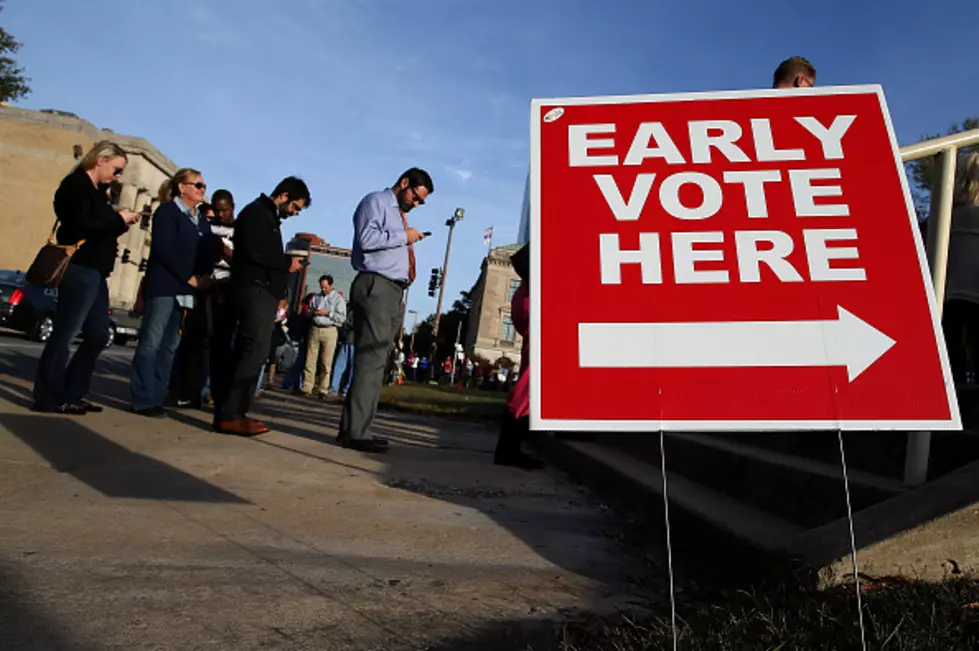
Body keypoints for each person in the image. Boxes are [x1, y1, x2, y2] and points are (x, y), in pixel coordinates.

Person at [32, 141, 142, 414]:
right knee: (66, 332)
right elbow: (80, 225)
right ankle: (48, 396)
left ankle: (72, 391)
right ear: (100, 160)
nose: (118, 177)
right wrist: (118, 220)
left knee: (97, 334)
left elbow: (99, 227)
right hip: (79, 268)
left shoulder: (99, 193)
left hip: (96, 272)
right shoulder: (75, 186)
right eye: (116, 170)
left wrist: (120, 219)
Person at [338, 168, 432, 453]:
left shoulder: (395, 213)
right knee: (371, 360)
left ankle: (356, 428)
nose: (415, 204)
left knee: (377, 360)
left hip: (391, 290)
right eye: (415, 197)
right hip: (376, 284)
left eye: (420, 202)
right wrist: (405, 236)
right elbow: (367, 239)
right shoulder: (376, 202)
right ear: (404, 183)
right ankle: (356, 432)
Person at [213, 176, 308, 436]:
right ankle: (231, 413)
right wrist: (286, 262)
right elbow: (255, 252)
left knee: (253, 349)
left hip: (259, 289)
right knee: (253, 348)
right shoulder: (257, 213)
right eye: (295, 207)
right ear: (285, 196)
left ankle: (233, 410)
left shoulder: (266, 216)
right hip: (253, 289)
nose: (295, 213)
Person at [131, 168, 215, 417]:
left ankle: (157, 396)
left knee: (169, 346)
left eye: (203, 186)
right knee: (151, 343)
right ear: (182, 187)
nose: (202, 190)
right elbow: (163, 248)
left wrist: (204, 276)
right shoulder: (167, 211)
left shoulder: (199, 219)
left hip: (185, 292)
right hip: (165, 286)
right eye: (198, 185)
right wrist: (188, 277)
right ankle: (142, 398)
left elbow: (205, 251)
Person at [495, 244, 542, 469]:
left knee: (532, 377)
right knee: (530, 380)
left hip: (527, 299)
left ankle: (508, 448)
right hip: (534, 302)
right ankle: (508, 449)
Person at [943, 151, 979, 384]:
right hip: (972, 286)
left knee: (952, 341)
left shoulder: (946, 213)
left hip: (950, 288)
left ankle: (952, 386)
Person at [203, 189, 236, 406]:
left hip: (228, 288)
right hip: (206, 285)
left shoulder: (240, 230)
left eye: (223, 210)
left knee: (224, 345)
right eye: (216, 210)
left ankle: (217, 389)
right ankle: (202, 388)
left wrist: (226, 253)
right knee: (204, 341)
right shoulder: (207, 228)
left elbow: (244, 261)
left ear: (232, 207)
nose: (219, 214)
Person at [302, 274, 346, 398]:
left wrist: (327, 313)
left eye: (325, 287)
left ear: (331, 285)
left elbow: (342, 318)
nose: (323, 289)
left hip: (330, 330)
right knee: (310, 359)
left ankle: (323, 388)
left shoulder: (338, 299)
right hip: (315, 328)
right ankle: (307, 386)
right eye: (321, 287)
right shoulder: (317, 297)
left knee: (326, 361)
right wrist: (312, 312)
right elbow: (308, 312)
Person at [327, 303, 355, 397]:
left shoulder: (354, 311)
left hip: (352, 340)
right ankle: (340, 388)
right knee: (343, 366)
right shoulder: (353, 310)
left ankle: (338, 388)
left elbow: (348, 323)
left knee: (342, 366)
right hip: (349, 340)